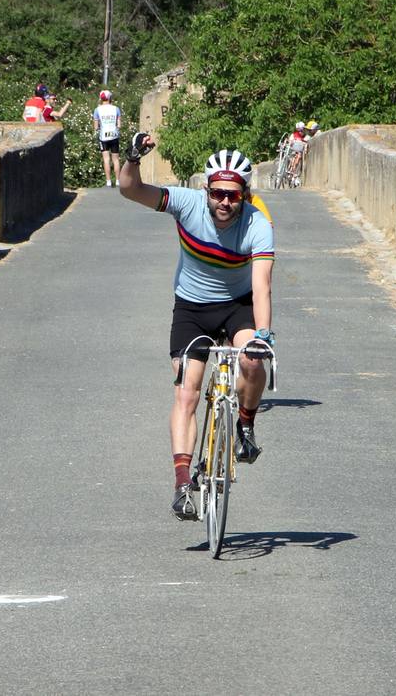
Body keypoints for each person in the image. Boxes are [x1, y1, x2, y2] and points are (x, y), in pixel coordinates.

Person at [118, 134, 275, 520]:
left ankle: (245, 425)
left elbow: (262, 286)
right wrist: (133, 157)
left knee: (253, 362)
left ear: (246, 194)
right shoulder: (186, 204)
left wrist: (263, 335)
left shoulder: (258, 223)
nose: (224, 202)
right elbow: (130, 189)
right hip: (191, 308)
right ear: (206, 189)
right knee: (187, 392)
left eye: (233, 195)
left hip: (237, 306)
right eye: (218, 193)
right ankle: (183, 484)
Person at [93, 90, 123, 187]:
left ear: (101, 98)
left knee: (106, 159)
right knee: (116, 159)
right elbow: (119, 125)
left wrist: (99, 127)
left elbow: (96, 126)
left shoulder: (97, 110)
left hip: (103, 136)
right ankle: (118, 180)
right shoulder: (116, 109)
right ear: (110, 98)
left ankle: (108, 181)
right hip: (114, 135)